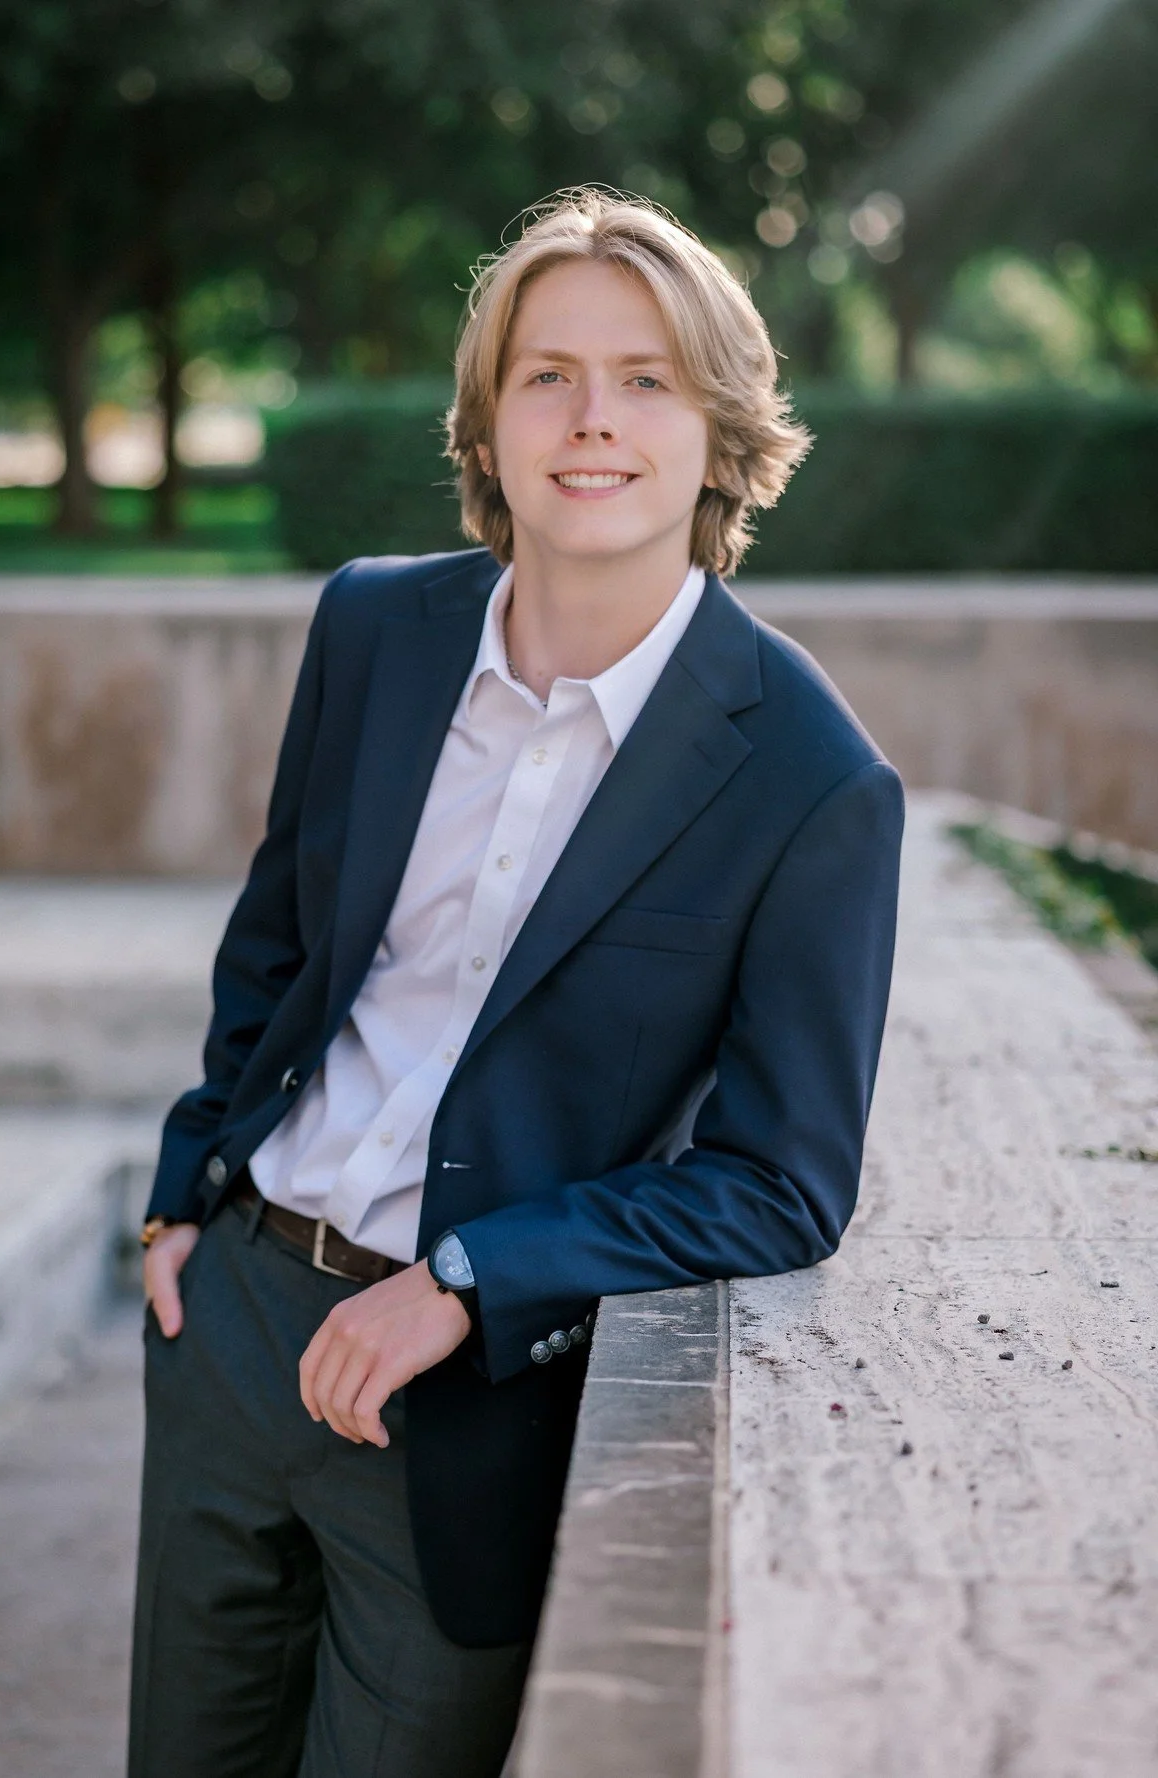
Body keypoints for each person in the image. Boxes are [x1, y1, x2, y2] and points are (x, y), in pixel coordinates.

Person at [129, 187, 904, 1778]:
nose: (592, 420)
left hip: (466, 1418)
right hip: (234, 1325)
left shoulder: (814, 781)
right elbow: (276, 939)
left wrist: (473, 1280)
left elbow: (782, 1183)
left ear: (724, 431)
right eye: (548, 373)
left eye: (646, 379)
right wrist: (184, 1185)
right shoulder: (372, 630)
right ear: (487, 422)